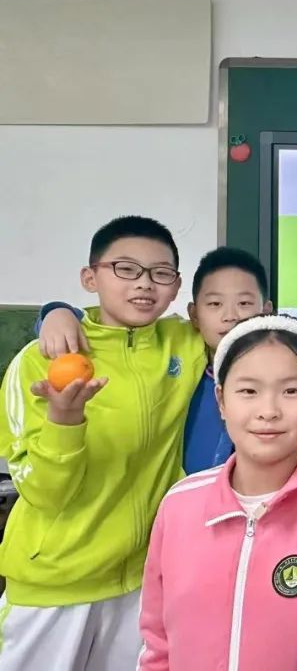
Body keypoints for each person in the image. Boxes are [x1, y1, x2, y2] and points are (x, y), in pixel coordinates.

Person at [0, 215, 206, 670]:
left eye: (160, 273)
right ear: (90, 278)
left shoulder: (183, 344)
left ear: (176, 287)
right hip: (55, 582)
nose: (144, 284)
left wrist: (55, 308)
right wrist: (64, 420)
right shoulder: (40, 361)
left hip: (141, 582)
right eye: (125, 269)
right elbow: (42, 491)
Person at [136, 314, 297, 670]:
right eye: (248, 391)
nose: (268, 411)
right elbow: (158, 642)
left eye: (291, 391)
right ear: (221, 400)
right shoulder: (180, 504)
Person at [35, 245, 275, 473]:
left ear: (266, 311)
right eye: (215, 303)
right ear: (194, 315)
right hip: (184, 498)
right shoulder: (185, 357)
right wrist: (57, 312)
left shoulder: (286, 375)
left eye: (244, 303)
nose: (231, 316)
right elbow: (114, 333)